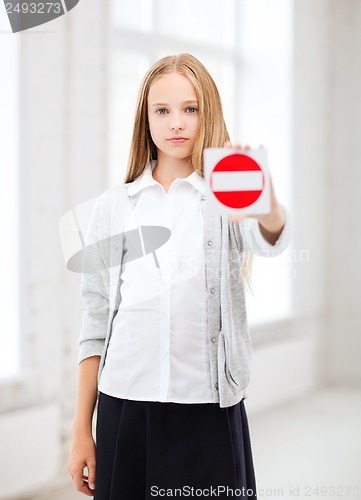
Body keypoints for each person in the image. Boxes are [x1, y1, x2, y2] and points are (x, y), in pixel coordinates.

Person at [67, 53, 293, 499]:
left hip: (207, 412)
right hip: (123, 411)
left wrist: (265, 202)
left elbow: (271, 238)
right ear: (144, 118)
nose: (177, 123)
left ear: (206, 111)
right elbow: (95, 323)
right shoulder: (114, 207)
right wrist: (81, 428)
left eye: (190, 109)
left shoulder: (226, 198)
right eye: (162, 110)